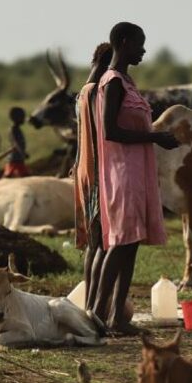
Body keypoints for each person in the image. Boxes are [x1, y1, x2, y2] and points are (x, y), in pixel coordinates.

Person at [91, 22, 179, 335]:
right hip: (122, 172)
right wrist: (154, 138)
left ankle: (116, 318)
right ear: (124, 42)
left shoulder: (127, 81)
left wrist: (154, 137)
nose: (143, 50)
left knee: (131, 245)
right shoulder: (112, 82)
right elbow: (110, 131)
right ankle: (96, 317)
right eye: (139, 44)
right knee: (118, 244)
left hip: (137, 171)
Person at [74, 43, 114, 313]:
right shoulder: (96, 93)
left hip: (84, 171)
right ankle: (94, 306)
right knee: (101, 242)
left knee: (93, 242)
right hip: (98, 172)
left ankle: (90, 301)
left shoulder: (82, 92)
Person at [3, 107, 30, 178]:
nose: (24, 119)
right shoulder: (13, 129)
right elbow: (16, 143)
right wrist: (23, 153)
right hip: (14, 158)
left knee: (24, 174)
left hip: (18, 158)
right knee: (8, 175)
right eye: (22, 117)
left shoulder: (16, 129)